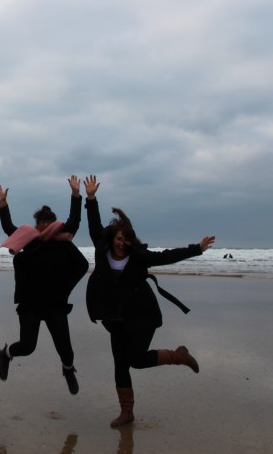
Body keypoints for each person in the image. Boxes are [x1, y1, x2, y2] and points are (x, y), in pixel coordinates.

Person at [83, 175, 215, 427]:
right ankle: (127, 412)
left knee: (135, 359)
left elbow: (166, 256)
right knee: (120, 365)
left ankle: (178, 356)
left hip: (142, 316)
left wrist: (196, 249)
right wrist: (90, 199)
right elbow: (93, 226)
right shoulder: (103, 250)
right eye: (119, 239)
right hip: (115, 318)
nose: (122, 244)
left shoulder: (138, 257)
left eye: (126, 240)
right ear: (113, 238)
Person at [0, 176, 89, 394]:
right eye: (41, 222)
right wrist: (3, 204)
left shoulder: (63, 243)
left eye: (48, 222)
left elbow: (74, 221)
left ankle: (68, 369)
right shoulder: (30, 241)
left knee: (66, 350)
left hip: (55, 304)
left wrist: (76, 195)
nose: (44, 225)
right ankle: (6, 355)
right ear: (37, 225)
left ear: (55, 224)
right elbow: (9, 227)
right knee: (27, 347)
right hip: (31, 304)